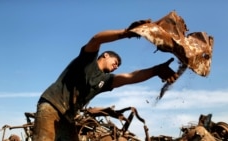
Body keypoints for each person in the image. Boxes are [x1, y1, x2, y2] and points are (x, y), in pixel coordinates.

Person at [32, 21, 179, 141]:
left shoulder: (105, 81)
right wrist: (127, 32)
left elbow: (129, 77)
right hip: (52, 106)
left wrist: (156, 70)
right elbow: (97, 39)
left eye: (118, 66)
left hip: (67, 117)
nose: (116, 66)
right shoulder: (87, 61)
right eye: (115, 62)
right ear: (105, 55)